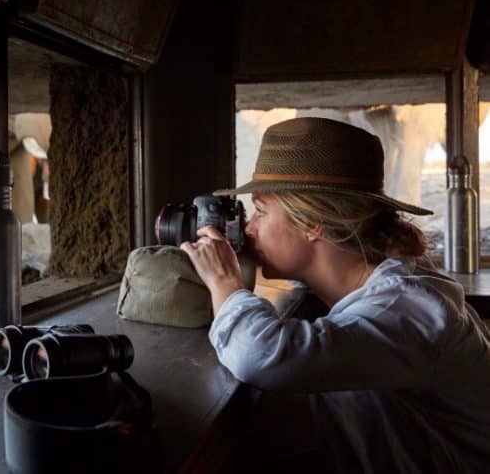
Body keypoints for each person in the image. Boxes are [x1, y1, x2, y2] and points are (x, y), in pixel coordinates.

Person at [181, 117, 490, 473]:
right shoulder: (371, 290)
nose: (248, 229)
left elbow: (259, 355)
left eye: (260, 212)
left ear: (313, 223)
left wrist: (224, 281)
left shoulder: (407, 306)